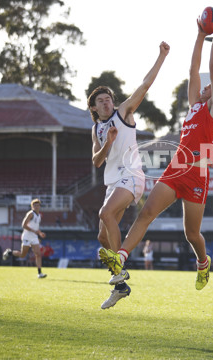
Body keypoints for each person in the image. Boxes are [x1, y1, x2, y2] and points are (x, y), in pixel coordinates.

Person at [99, 12, 213, 292]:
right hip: (177, 170)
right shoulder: (195, 104)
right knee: (146, 213)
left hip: (197, 175)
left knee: (191, 233)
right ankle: (121, 256)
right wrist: (199, 35)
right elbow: (193, 71)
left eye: (212, 86)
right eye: (206, 86)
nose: (206, 85)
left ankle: (203, 262)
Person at [88, 41, 170, 309]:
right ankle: (120, 286)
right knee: (102, 238)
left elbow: (144, 86)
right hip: (113, 183)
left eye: (109, 98)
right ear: (94, 109)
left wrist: (161, 56)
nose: (107, 102)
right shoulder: (97, 130)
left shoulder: (123, 113)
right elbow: (97, 161)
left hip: (132, 176)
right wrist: (108, 143)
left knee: (105, 214)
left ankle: (120, 270)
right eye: (101, 101)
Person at [3, 198, 47, 278]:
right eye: (34, 205)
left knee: (38, 254)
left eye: (38, 205)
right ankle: (9, 252)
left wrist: (40, 233)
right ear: (32, 206)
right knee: (23, 255)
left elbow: (36, 227)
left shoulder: (39, 216)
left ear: (40, 206)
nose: (36, 207)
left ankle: (39, 273)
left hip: (34, 237)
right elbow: (23, 225)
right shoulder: (30, 214)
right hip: (27, 236)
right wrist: (34, 231)